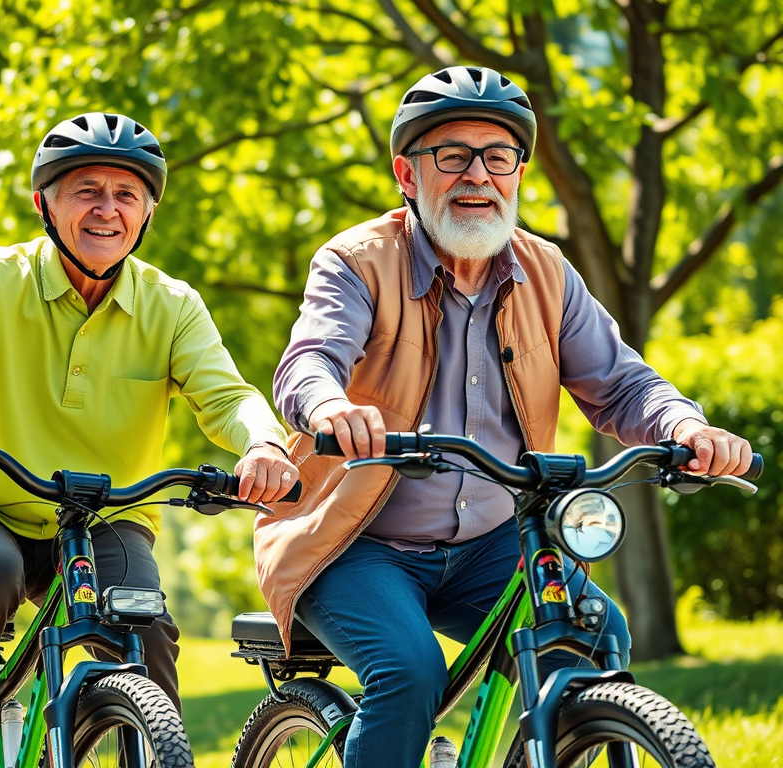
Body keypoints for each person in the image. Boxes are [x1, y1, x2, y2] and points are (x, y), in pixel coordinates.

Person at [255, 66, 752, 768]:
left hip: (492, 541)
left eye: (498, 157)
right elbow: (309, 360)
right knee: (409, 673)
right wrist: (330, 406)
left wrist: (684, 427)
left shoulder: (547, 272)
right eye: (452, 155)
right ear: (407, 173)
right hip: (355, 541)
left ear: (519, 172)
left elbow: (621, 383)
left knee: (595, 635)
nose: (478, 176)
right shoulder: (356, 262)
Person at [0, 112, 298, 768]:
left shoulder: (172, 305)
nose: (107, 210)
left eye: (126, 195)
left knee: (146, 628)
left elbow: (228, 397)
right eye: (86, 191)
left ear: (147, 213)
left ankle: (142, 750)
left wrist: (263, 445)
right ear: (44, 204)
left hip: (106, 515)